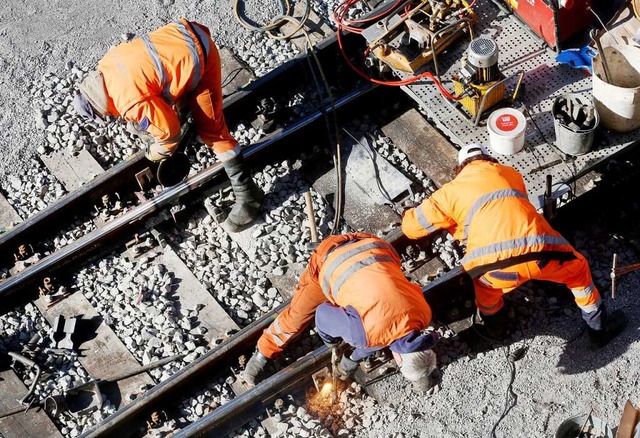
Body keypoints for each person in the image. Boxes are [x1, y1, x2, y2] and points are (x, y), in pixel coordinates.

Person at [401, 143, 627, 348]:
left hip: (494, 267)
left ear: (459, 169)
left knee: (487, 292)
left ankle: (497, 328)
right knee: (579, 273)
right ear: (489, 160)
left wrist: (413, 212)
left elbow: (411, 229)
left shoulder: (449, 192)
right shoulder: (510, 173)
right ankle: (598, 330)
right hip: (542, 253)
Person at [72, 18, 263, 231]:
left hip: (202, 58)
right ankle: (188, 109)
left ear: (100, 107)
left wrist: (156, 153)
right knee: (167, 95)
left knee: (213, 133)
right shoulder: (106, 65)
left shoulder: (128, 102)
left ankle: (248, 194)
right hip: (184, 33)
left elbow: (169, 134)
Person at [241, 233, 441, 392]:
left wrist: (354, 358)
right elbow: (321, 315)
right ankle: (264, 350)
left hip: (374, 245)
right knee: (298, 315)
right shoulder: (363, 335)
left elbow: (385, 333)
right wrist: (332, 342)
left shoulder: (424, 314)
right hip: (329, 258)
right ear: (398, 359)